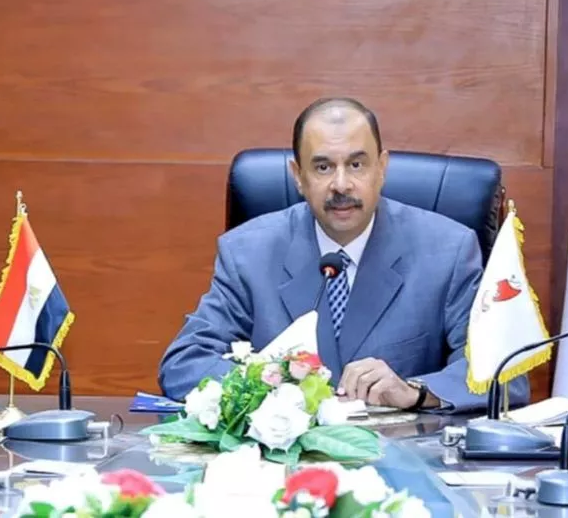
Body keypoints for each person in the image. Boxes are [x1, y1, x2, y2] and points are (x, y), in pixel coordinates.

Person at [158, 97, 530, 412]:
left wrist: (416, 391)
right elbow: (184, 364)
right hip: (282, 462)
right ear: (298, 176)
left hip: (403, 459)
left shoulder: (447, 250)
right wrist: (272, 384)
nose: (341, 185)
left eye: (356, 164)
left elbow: (505, 374)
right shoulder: (248, 252)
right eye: (323, 167)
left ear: (381, 169)